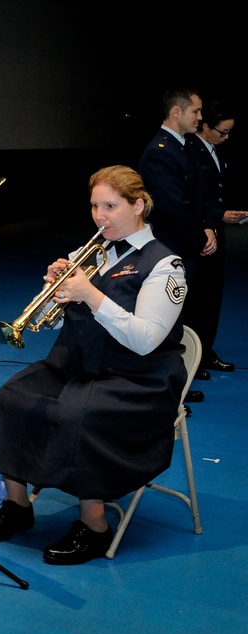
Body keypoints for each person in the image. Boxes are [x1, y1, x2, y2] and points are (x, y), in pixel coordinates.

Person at [0, 165, 187, 565]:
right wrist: (55, 294)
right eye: (95, 206)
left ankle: (94, 526)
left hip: (136, 378)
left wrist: (90, 294)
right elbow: (56, 322)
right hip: (77, 365)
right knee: (10, 397)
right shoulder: (87, 254)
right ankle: (18, 506)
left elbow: (145, 340)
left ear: (139, 205)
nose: (100, 216)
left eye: (110, 206)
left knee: (79, 416)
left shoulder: (165, 265)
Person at [137, 88, 208, 403]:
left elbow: (195, 199)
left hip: (183, 245)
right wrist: (200, 238)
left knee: (181, 317)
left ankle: (177, 380)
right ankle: (166, 386)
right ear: (176, 112)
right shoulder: (160, 151)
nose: (200, 117)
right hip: (172, 247)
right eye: (195, 111)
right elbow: (173, 207)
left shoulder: (182, 147)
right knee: (169, 319)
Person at [186, 99, 247, 377]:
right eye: (222, 132)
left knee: (212, 298)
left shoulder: (215, 150)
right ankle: (192, 357)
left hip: (214, 230)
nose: (226, 137)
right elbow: (192, 197)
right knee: (197, 300)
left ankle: (205, 351)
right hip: (198, 232)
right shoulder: (190, 151)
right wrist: (218, 214)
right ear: (206, 127)